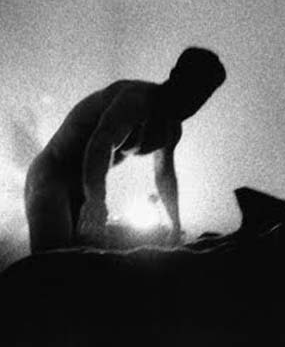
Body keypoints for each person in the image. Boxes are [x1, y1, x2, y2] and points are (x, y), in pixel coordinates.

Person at [24, 47, 226, 253]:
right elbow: (100, 144)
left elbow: (164, 174)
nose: (194, 104)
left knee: (78, 263)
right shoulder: (134, 99)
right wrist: (96, 200)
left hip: (83, 188)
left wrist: (175, 224)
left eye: (203, 97)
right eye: (192, 91)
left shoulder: (171, 130)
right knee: (52, 259)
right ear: (175, 76)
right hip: (53, 173)